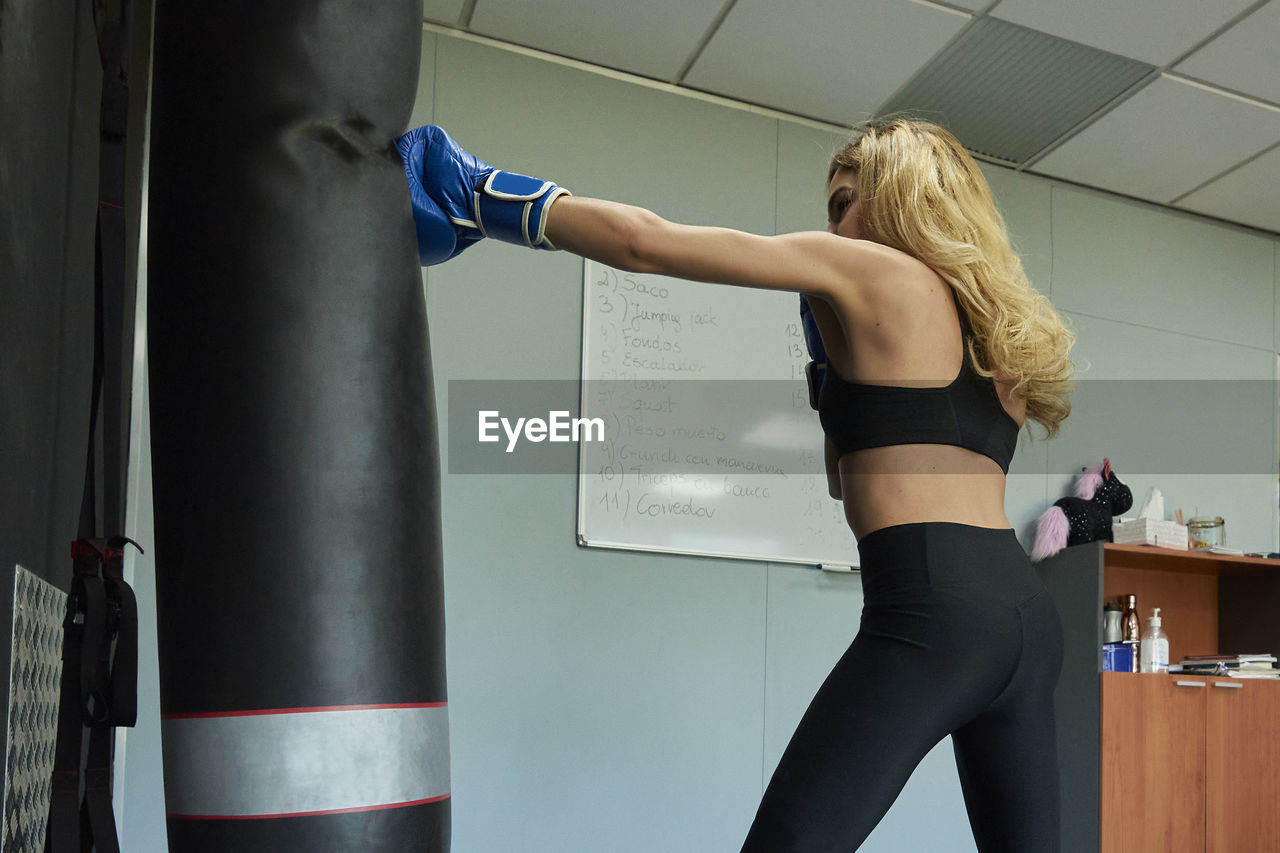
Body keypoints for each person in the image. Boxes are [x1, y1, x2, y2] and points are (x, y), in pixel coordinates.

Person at [399, 117, 1076, 852]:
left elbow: (645, 243)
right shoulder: (996, 339)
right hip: (1025, 619)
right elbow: (848, 476)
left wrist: (485, 197)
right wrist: (829, 371)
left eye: (847, 201)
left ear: (906, 198)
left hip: (932, 608)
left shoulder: (868, 269)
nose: (835, 224)